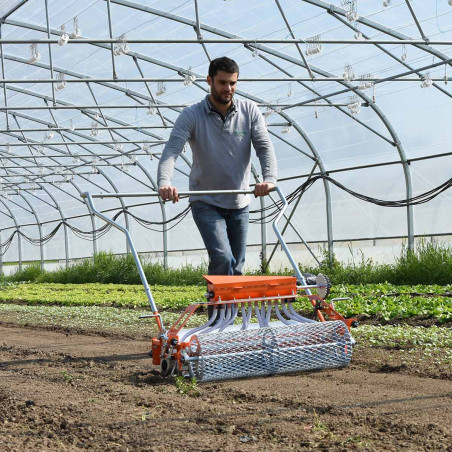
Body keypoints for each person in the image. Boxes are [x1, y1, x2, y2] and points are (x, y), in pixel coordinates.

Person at [157, 56, 277, 286]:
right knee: (223, 258)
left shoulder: (249, 111)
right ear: (209, 80)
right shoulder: (191, 115)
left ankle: (229, 318)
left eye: (233, 83)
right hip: (206, 200)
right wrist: (165, 183)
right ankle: (216, 320)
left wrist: (269, 179)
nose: (228, 89)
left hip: (239, 201)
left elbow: (264, 146)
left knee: (237, 267)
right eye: (222, 82)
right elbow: (171, 151)